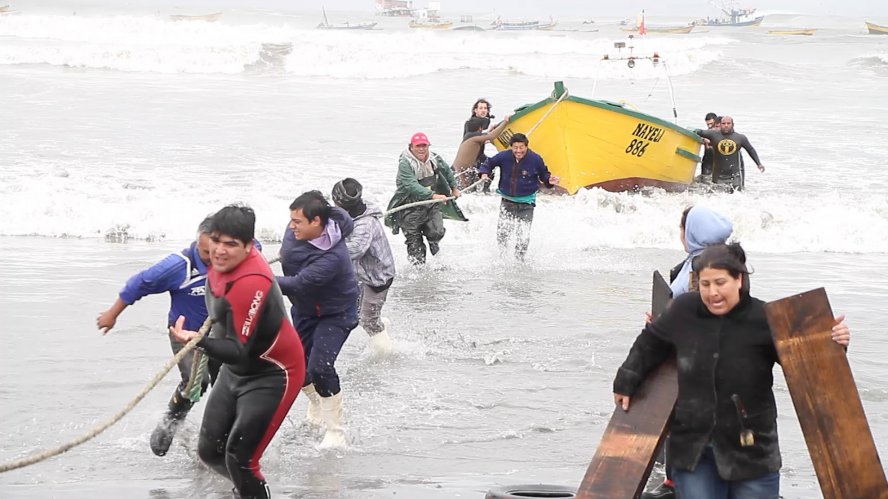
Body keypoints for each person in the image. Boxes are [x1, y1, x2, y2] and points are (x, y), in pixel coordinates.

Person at [613, 243, 851, 499]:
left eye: (720, 283)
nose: (712, 292)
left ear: (739, 279)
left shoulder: (765, 318)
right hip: (694, 451)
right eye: (705, 284)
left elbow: (808, 362)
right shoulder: (684, 310)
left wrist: (834, 342)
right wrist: (626, 380)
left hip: (753, 451)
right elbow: (651, 342)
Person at [169, 205, 304, 499]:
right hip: (236, 371)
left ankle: (249, 489)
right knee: (209, 452)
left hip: (273, 373)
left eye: (230, 244)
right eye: (216, 241)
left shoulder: (251, 282)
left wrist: (198, 341)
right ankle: (246, 492)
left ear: (248, 247)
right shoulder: (217, 260)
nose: (219, 251)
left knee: (241, 459)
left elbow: (237, 351)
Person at [97, 216, 214, 457]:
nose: (216, 257)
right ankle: (171, 420)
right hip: (185, 335)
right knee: (197, 382)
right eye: (206, 253)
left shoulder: (236, 253)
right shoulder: (178, 266)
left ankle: (222, 437)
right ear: (197, 243)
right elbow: (139, 283)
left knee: (229, 382)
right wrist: (112, 314)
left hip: (222, 333)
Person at [641, 205, 733, 499]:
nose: (680, 234)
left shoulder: (706, 270)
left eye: (683, 229)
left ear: (691, 232)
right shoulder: (700, 263)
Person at [278, 191, 359, 448]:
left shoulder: (333, 257)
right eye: (291, 220)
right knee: (296, 368)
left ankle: (336, 431)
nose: (292, 227)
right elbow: (318, 201)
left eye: (297, 222)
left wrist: (253, 279)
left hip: (336, 313)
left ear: (316, 222)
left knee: (320, 368)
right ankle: (319, 404)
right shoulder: (300, 228)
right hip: (304, 309)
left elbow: (297, 284)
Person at [331, 178, 397, 357]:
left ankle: (387, 354)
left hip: (377, 277)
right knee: (356, 312)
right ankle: (379, 323)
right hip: (359, 273)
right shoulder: (350, 212)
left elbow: (355, 250)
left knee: (367, 320)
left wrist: (323, 249)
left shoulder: (365, 224)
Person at [385, 132, 463, 265]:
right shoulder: (405, 163)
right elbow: (411, 185)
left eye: (424, 146)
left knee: (437, 232)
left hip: (430, 204)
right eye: (418, 146)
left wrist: (454, 187)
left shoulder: (434, 158)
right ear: (411, 147)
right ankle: (418, 273)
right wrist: (433, 195)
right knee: (415, 248)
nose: (421, 149)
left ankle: (433, 243)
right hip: (409, 207)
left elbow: (447, 171)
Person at [478, 132, 559, 260]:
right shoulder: (504, 156)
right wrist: (484, 173)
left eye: (521, 147)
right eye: (515, 148)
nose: (518, 151)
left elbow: (544, 174)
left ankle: (519, 261)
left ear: (526, 146)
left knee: (523, 235)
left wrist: (549, 180)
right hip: (507, 201)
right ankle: (502, 258)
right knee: (503, 234)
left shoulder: (535, 159)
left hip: (527, 203)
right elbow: (488, 163)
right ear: (511, 147)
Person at [696, 116, 764, 192]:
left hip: (735, 176)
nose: (726, 125)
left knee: (737, 196)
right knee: (716, 196)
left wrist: (758, 164)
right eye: (723, 123)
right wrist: (693, 131)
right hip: (718, 176)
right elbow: (699, 132)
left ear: (733, 125)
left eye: (728, 123)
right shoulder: (713, 135)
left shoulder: (740, 138)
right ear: (720, 125)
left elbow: (750, 150)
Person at [454, 115, 510, 191]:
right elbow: (491, 136)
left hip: (458, 172)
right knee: (465, 191)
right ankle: (485, 192)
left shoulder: (469, 136)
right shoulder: (474, 137)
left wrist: (491, 130)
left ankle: (485, 191)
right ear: (480, 128)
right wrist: (505, 122)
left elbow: (486, 135)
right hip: (460, 175)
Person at [698, 112, 719, 181]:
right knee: (704, 180)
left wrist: (710, 142)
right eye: (708, 124)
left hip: (717, 162)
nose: (709, 126)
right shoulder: (706, 133)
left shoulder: (722, 134)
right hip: (706, 162)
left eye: (711, 124)